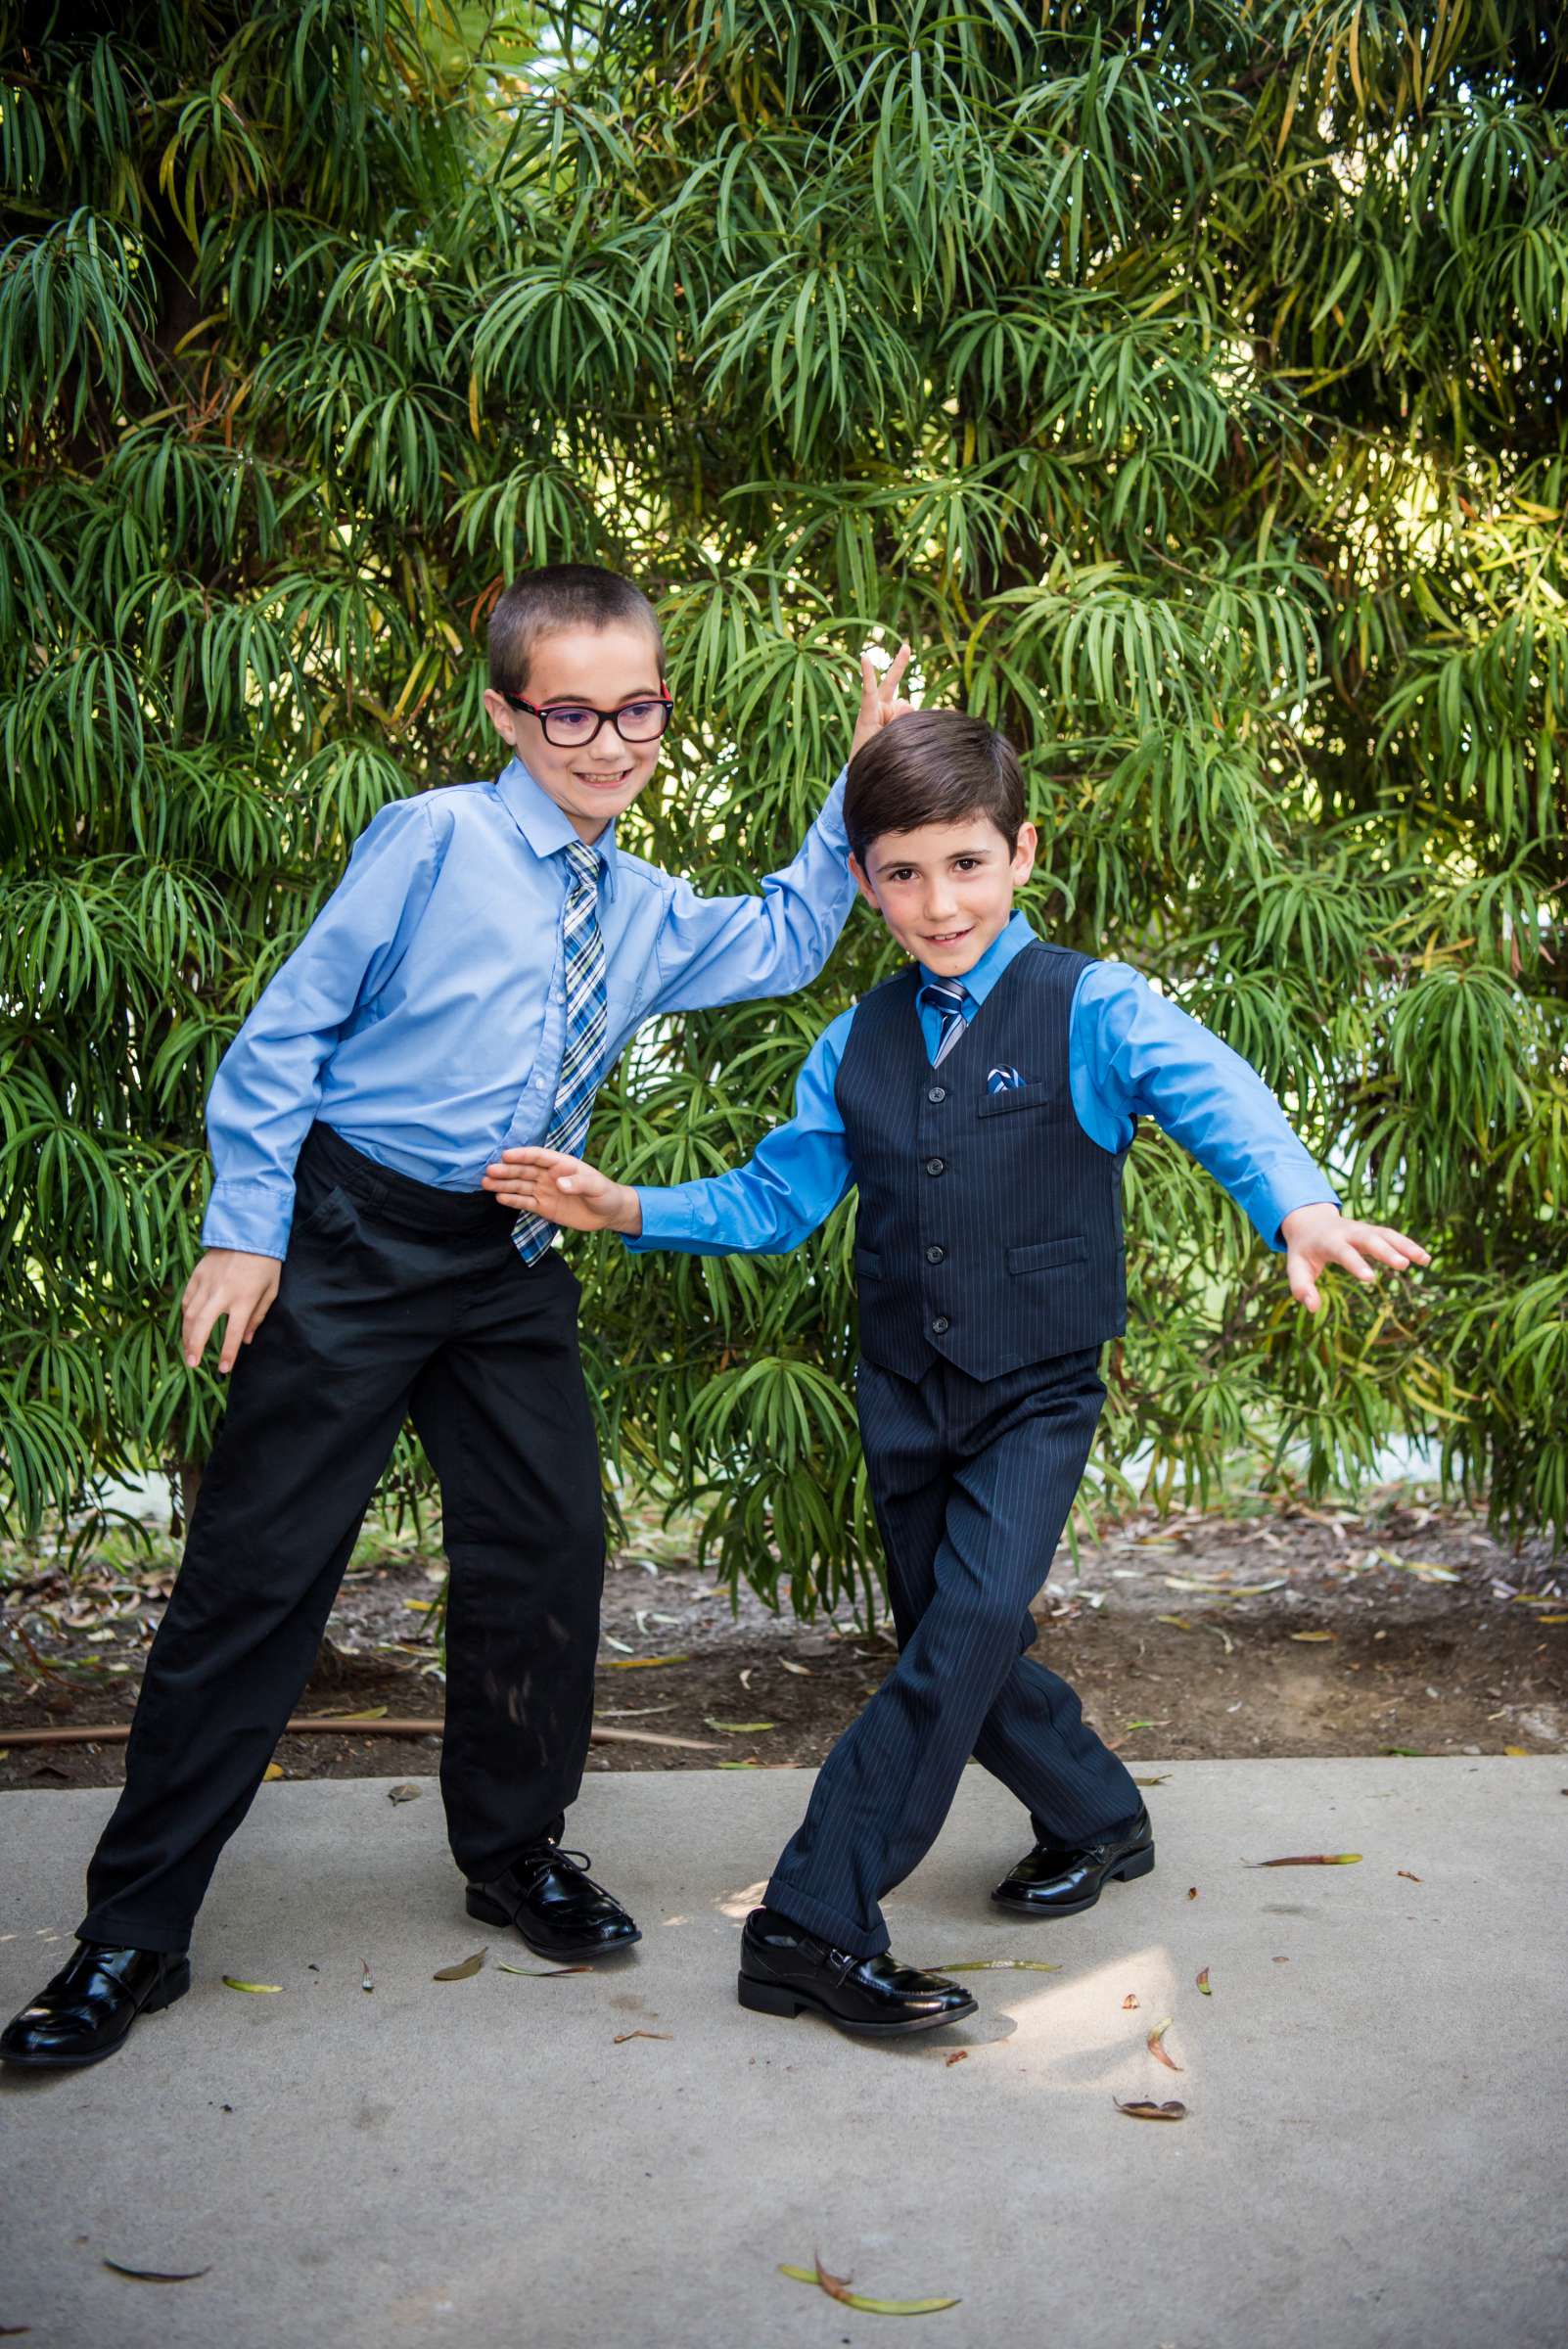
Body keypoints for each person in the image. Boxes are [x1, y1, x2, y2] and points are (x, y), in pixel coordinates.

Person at [0, 565, 910, 2072]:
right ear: (507, 710)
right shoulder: (434, 838)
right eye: (571, 710)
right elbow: (289, 1027)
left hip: (507, 1262)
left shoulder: (639, 905)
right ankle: (130, 1937)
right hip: (354, 1239)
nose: (609, 742)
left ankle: (513, 1854)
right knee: (255, 1580)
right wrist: (248, 1229)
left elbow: (787, 936)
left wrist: (858, 778)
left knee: (545, 1552)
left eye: (638, 710)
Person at [484, 706, 1431, 2039]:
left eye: (967, 864)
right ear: (864, 882)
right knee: (953, 1638)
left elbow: (1213, 1088)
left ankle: (814, 1921)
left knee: (961, 1636)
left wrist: (1296, 1206)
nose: (939, 902)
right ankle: (1099, 1818)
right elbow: (774, 1199)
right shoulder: (851, 1043)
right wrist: (626, 1206)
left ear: (1021, 853)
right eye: (903, 873)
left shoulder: (1090, 1007)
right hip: (902, 1392)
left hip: (1034, 1392)